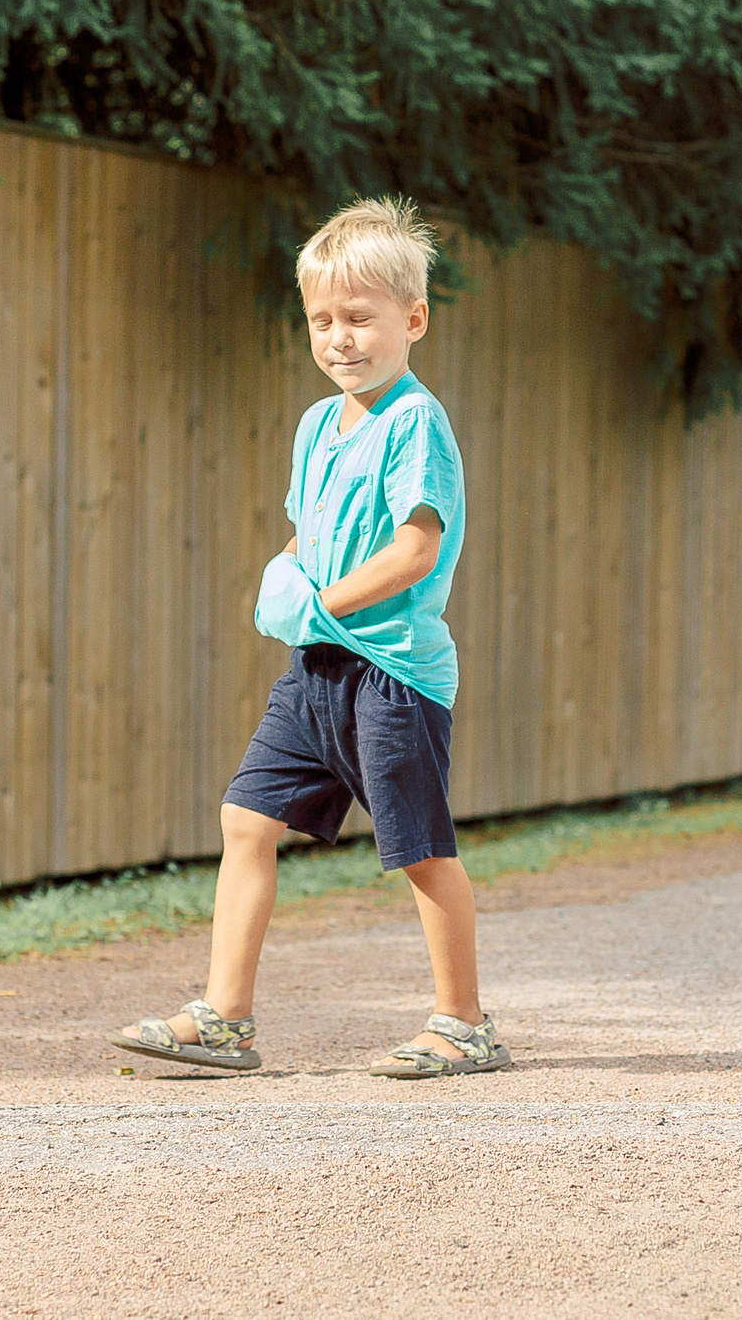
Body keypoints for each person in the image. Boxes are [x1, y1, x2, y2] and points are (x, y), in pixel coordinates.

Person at [110, 198, 508, 1078]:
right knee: (246, 817)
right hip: (317, 668)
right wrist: (282, 575)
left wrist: (321, 598)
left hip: (393, 674)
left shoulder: (415, 423)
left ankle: (465, 1021)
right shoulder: (313, 427)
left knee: (420, 849)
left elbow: (416, 546)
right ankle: (224, 1017)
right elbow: (310, 531)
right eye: (322, 320)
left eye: (361, 318)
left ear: (414, 320)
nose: (340, 338)